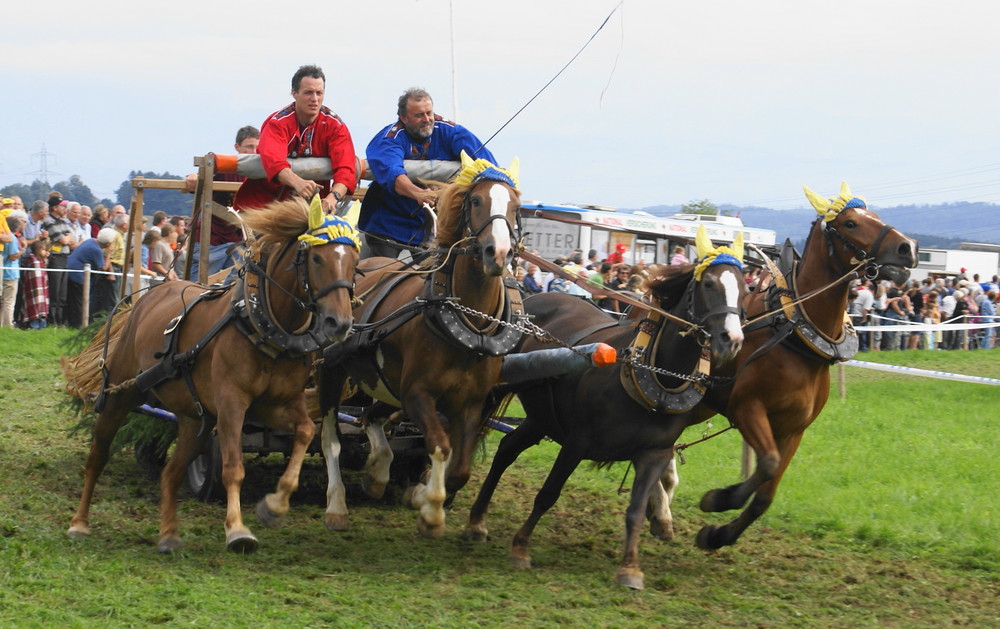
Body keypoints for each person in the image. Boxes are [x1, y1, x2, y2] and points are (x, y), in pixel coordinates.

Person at [359, 87, 496, 258]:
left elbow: (485, 163)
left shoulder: (449, 131)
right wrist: (419, 193)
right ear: (403, 118)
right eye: (419, 115)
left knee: (431, 279)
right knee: (382, 274)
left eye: (429, 113)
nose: (427, 119)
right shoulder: (390, 138)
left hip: (426, 224)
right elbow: (392, 172)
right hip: (388, 221)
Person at [234, 65, 356, 215]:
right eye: (308, 93)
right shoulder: (277, 123)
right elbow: (274, 161)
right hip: (262, 207)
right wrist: (297, 182)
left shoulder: (335, 126)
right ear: (294, 93)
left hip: (312, 211)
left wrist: (333, 197)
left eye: (319, 93)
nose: (315, 99)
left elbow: (347, 168)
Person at [186, 125, 260, 280]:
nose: (254, 152)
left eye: (257, 147)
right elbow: (209, 164)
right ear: (237, 147)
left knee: (233, 293)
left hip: (239, 243)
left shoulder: (261, 173)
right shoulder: (228, 168)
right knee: (195, 291)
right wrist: (194, 176)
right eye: (249, 147)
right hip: (212, 240)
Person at [66, 228, 115, 327]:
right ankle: (79, 324)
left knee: (74, 300)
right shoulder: (96, 250)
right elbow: (103, 268)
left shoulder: (90, 241)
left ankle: (72, 322)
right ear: (108, 244)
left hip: (71, 271)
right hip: (78, 275)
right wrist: (108, 254)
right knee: (80, 301)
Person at [2, 211, 27, 327]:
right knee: (9, 301)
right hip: (11, 273)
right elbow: (13, 256)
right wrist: (23, 250)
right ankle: (8, 324)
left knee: (4, 301)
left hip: (4, 271)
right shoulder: (12, 238)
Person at [20, 240, 50, 329]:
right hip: (34, 290)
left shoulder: (42, 261)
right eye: (44, 250)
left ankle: (42, 325)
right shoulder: (33, 261)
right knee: (34, 305)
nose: (46, 252)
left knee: (42, 305)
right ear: (37, 250)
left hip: (42, 291)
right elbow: (34, 278)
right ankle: (33, 325)